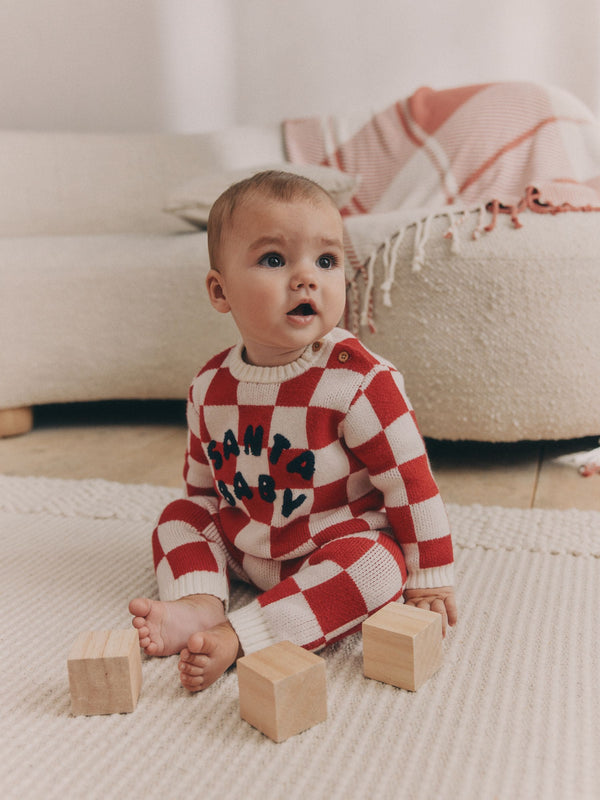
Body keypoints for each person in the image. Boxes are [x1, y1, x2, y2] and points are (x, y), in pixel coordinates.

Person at [129, 170, 457, 691]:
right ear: (221, 291)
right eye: (274, 260)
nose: (307, 278)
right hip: (246, 543)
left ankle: (242, 634)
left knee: (378, 566)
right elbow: (201, 484)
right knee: (179, 516)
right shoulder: (210, 385)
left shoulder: (358, 380)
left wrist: (430, 576)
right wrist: (204, 544)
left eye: (326, 261)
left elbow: (411, 482)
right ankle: (197, 603)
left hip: (332, 541)